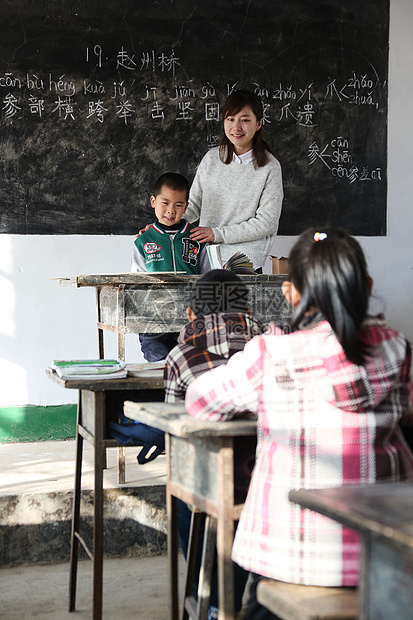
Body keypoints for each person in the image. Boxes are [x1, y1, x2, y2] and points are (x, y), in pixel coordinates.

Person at [185, 227, 413, 619]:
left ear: (289, 292)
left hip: (290, 555)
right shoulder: (398, 347)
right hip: (390, 555)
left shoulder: (271, 354)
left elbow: (200, 402)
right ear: (366, 285)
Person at [164, 269, 266, 619]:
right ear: (248, 312)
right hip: (266, 475)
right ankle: (242, 598)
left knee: (183, 491)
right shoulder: (268, 346)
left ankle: (204, 599)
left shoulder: (181, 355)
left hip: (208, 482)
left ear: (192, 314)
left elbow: (178, 425)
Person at [186, 89, 283, 272]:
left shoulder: (270, 167)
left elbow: (266, 223)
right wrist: (161, 225)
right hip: (208, 260)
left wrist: (218, 233)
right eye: (230, 119)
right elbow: (193, 205)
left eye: (245, 120)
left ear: (258, 124)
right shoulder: (211, 159)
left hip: (245, 264)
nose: (236, 128)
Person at [131, 171, 211, 362]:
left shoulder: (197, 238)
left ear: (186, 207)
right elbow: (136, 281)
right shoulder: (143, 241)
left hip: (189, 320)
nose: (170, 210)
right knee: (159, 362)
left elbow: (208, 277)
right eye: (165, 203)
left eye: (178, 205)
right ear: (153, 201)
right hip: (153, 320)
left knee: (190, 364)